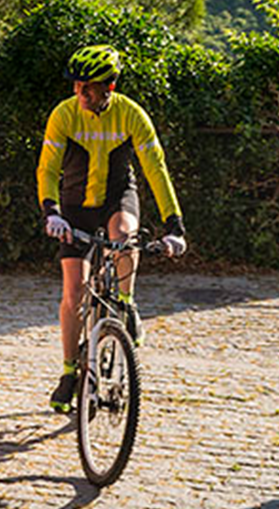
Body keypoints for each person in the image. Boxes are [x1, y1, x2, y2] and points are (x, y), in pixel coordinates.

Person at [36, 44, 188, 413]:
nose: (80, 93)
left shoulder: (131, 115)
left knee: (125, 237)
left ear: (110, 87)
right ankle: (70, 372)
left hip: (117, 198)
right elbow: (47, 168)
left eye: (88, 87)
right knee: (74, 293)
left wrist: (175, 225)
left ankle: (126, 302)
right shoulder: (64, 115)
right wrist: (51, 212)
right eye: (77, 86)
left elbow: (156, 169)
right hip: (73, 208)